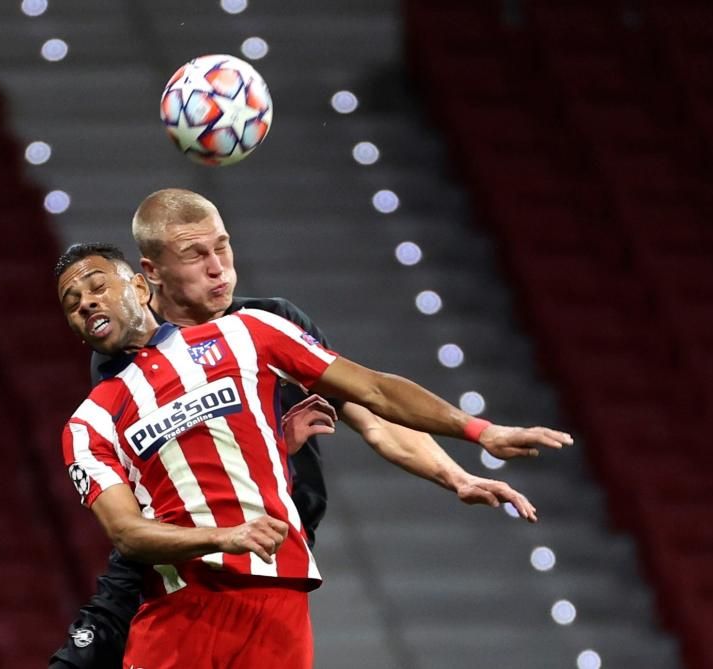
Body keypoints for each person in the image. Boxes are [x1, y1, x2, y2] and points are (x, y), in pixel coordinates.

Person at [50, 189, 557, 668]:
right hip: (178, 571)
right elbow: (155, 494)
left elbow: (373, 403)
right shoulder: (109, 384)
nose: (217, 268)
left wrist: (465, 457)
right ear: (150, 275)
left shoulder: (264, 324)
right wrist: (262, 453)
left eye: (222, 248)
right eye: (195, 256)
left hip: (274, 556)